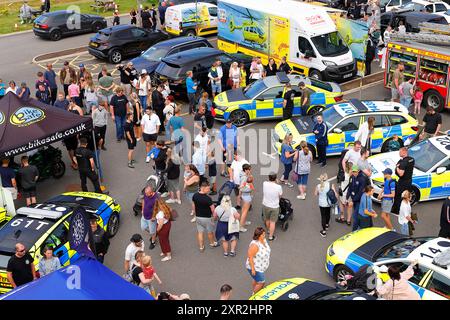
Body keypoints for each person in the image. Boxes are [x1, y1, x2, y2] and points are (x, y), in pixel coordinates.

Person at [192, 180, 218, 251]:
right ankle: (212, 243)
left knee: (200, 232)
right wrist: (215, 217)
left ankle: (201, 247)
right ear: (203, 188)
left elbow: (193, 205)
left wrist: (195, 213)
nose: (209, 190)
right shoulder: (208, 199)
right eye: (208, 188)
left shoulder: (195, 195)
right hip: (207, 218)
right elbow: (213, 210)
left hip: (198, 217)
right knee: (210, 232)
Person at [246, 227, 271, 294]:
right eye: (262, 235)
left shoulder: (263, 240)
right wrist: (253, 269)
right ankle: (254, 295)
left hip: (261, 266)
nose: (264, 235)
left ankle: (255, 290)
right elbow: (250, 257)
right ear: (258, 235)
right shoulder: (254, 245)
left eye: (264, 234)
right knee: (261, 282)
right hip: (255, 267)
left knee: (256, 280)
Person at [392, 147, 414, 214]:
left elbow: (401, 174)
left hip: (402, 182)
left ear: (404, 152)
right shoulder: (412, 159)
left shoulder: (403, 162)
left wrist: (397, 167)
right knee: (406, 195)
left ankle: (397, 210)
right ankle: (406, 210)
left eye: (400, 152)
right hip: (409, 180)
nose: (399, 153)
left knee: (398, 196)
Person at [315, 173, 337, 238]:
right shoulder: (330, 185)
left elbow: (315, 194)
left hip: (321, 203)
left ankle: (324, 231)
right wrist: (334, 189)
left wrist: (320, 193)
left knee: (323, 216)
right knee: (328, 214)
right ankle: (327, 225)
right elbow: (335, 194)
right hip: (328, 203)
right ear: (327, 178)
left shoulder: (318, 186)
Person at [262, 173, 282, 241]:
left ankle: (268, 230)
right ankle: (271, 236)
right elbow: (280, 196)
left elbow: (267, 182)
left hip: (265, 204)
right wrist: (277, 182)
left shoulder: (264, 183)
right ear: (276, 178)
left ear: (268, 178)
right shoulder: (278, 187)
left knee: (267, 219)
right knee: (272, 222)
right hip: (274, 206)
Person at [347, 165, 367, 231]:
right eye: (353, 171)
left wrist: (353, 200)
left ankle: (354, 231)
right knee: (358, 214)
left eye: (355, 171)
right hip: (354, 199)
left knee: (355, 216)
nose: (354, 173)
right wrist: (347, 198)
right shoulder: (352, 177)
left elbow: (360, 193)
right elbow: (350, 188)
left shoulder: (362, 179)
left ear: (358, 171)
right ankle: (360, 227)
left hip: (359, 200)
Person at [141, 185, 160, 250]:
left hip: (151, 218)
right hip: (144, 216)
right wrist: (142, 210)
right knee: (143, 227)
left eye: (147, 193)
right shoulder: (146, 194)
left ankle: (153, 242)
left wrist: (154, 217)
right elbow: (143, 201)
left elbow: (159, 208)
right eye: (145, 193)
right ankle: (154, 234)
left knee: (152, 232)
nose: (146, 194)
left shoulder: (156, 198)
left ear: (151, 192)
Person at [239, 164, 253, 232]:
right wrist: (248, 187)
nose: (250, 170)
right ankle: (241, 227)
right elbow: (241, 187)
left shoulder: (243, 175)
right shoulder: (244, 177)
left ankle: (243, 222)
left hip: (244, 195)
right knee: (245, 211)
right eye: (249, 169)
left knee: (243, 209)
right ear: (246, 170)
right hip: (246, 195)